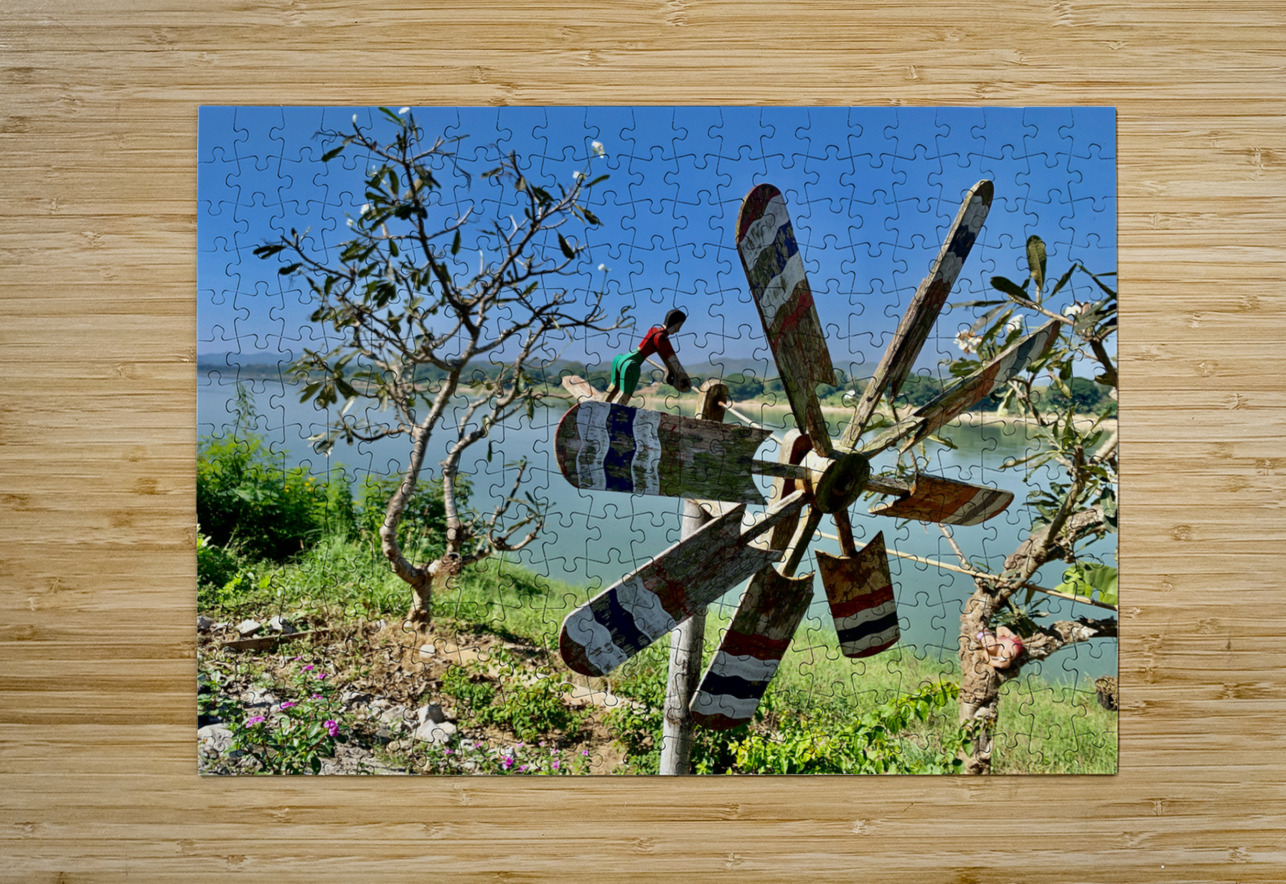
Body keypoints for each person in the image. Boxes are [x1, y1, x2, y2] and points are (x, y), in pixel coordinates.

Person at [603, 309, 693, 403]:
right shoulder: (660, 337)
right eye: (678, 326)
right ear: (673, 323)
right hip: (631, 365)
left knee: (612, 388)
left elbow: (666, 357)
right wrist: (682, 376)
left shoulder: (653, 330)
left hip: (621, 359)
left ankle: (602, 406)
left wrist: (670, 371)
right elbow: (670, 357)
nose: (678, 330)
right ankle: (617, 413)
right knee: (624, 395)